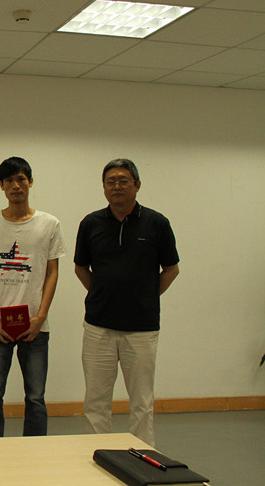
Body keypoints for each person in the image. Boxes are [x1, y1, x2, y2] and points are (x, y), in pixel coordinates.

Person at [74, 158, 179, 446]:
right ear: (104, 188)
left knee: (142, 402)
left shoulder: (157, 223)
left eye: (123, 181)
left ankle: (142, 458)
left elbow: (171, 269)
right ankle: (97, 453)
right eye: (111, 182)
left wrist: (146, 295)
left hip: (142, 328)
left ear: (137, 185)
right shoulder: (91, 223)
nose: (117, 186)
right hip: (98, 327)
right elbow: (80, 267)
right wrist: (102, 293)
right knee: (96, 401)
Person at [0, 157, 66, 437]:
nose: (16, 186)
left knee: (35, 397)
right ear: (1, 185)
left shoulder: (49, 224)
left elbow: (52, 272)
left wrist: (40, 316)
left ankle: (35, 450)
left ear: (31, 182)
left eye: (21, 179)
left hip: (35, 325)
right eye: (9, 180)